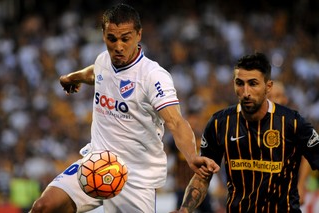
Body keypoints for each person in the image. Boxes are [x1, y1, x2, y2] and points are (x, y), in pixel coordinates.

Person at [30, 3, 219, 213]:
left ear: (139, 35)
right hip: (96, 163)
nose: (118, 46)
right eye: (112, 39)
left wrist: (192, 157)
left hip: (135, 178)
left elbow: (175, 121)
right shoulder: (103, 60)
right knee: (43, 207)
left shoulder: (153, 76)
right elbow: (95, 74)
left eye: (125, 38)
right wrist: (72, 78)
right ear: (103, 35)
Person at [173, 52, 319, 213]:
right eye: (240, 83)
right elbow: (202, 176)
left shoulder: (293, 123)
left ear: (268, 87)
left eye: (253, 83)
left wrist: (302, 185)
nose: (246, 91)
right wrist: (184, 210)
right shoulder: (219, 123)